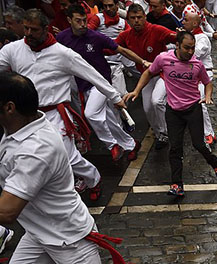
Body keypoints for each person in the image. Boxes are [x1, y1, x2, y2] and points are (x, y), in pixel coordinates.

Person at [0, 71, 183, 264]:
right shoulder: (17, 130)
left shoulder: (36, 149)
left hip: (69, 237)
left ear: (9, 108)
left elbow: (7, 211)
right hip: (40, 232)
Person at [0, 9, 126, 201]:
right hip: (24, 117)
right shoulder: (12, 50)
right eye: (25, 28)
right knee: (11, 152)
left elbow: (92, 75)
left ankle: (93, 179)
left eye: (33, 29)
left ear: (45, 29)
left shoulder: (63, 54)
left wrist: (115, 97)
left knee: (68, 157)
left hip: (55, 115)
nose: (28, 33)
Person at [125, 31, 217, 197]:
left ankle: (214, 162)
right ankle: (177, 184)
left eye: (192, 48)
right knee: (175, 148)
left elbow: (208, 83)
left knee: (198, 144)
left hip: (193, 109)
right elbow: (149, 73)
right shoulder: (164, 59)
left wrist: (207, 97)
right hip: (174, 111)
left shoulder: (197, 65)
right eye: (187, 48)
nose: (190, 52)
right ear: (177, 45)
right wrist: (136, 90)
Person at [57, 5, 143, 163]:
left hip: (102, 83)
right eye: (78, 21)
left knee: (91, 114)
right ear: (69, 20)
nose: (82, 24)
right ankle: (131, 144)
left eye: (84, 20)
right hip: (83, 85)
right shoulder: (62, 38)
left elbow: (121, 50)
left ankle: (112, 146)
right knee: (108, 118)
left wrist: (143, 61)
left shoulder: (95, 37)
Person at [115, 4, 176, 150]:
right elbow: (109, 47)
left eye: (139, 17)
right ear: (128, 20)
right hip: (146, 76)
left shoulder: (156, 30)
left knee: (156, 101)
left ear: (144, 17)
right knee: (148, 108)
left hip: (163, 74)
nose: (136, 21)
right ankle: (161, 134)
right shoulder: (126, 36)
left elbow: (177, 38)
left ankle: (166, 132)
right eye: (133, 18)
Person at [182, 11, 217, 145]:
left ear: (195, 23)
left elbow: (193, 54)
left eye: (186, 20)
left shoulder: (201, 38)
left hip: (204, 75)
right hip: (191, 75)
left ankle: (209, 134)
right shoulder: (188, 36)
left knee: (200, 103)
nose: (183, 22)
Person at [87, 0, 134, 96]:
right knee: (103, 95)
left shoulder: (123, 22)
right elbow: (87, 34)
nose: (108, 9)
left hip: (117, 62)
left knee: (121, 95)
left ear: (117, 5)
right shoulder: (97, 18)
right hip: (100, 63)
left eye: (110, 5)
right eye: (105, 6)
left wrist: (124, 36)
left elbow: (132, 37)